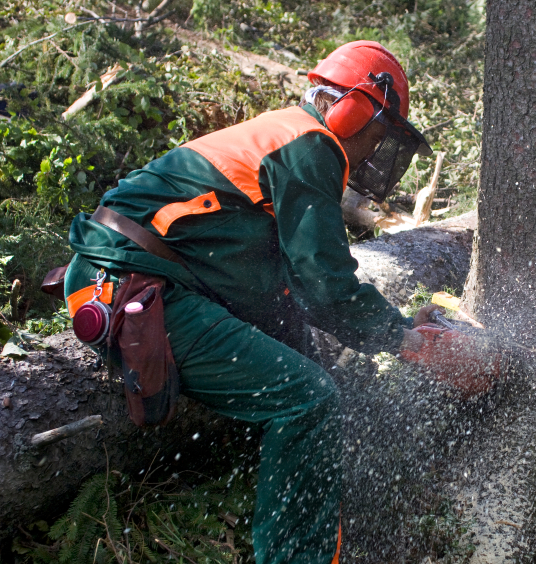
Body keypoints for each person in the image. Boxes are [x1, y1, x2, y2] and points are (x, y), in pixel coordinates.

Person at [62, 40, 494, 564]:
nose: (374, 153)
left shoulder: (284, 138)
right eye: (377, 136)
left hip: (155, 278)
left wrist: (398, 324)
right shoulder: (309, 144)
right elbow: (323, 281)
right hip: (136, 287)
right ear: (350, 109)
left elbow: (292, 288)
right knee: (309, 398)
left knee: (315, 376)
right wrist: (407, 344)